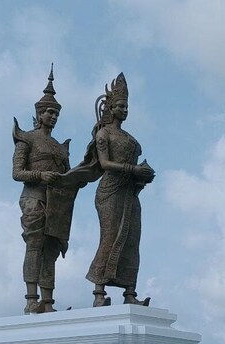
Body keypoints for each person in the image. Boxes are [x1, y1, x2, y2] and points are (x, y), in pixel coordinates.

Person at [81, 72, 156, 307]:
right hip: (110, 192)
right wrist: (133, 170)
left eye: (127, 106)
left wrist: (143, 175)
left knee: (132, 239)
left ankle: (129, 292)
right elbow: (104, 165)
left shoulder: (129, 138)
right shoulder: (104, 134)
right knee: (110, 237)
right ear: (111, 108)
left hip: (130, 193)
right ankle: (99, 292)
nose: (124, 110)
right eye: (121, 106)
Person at [12, 65, 75, 314]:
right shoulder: (26, 138)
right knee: (34, 245)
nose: (53, 117)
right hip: (34, 198)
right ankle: (30, 298)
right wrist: (40, 174)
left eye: (56, 113)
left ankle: (47, 301)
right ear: (39, 114)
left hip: (56, 202)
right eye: (49, 112)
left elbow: (69, 177)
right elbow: (17, 173)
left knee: (51, 250)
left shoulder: (60, 147)